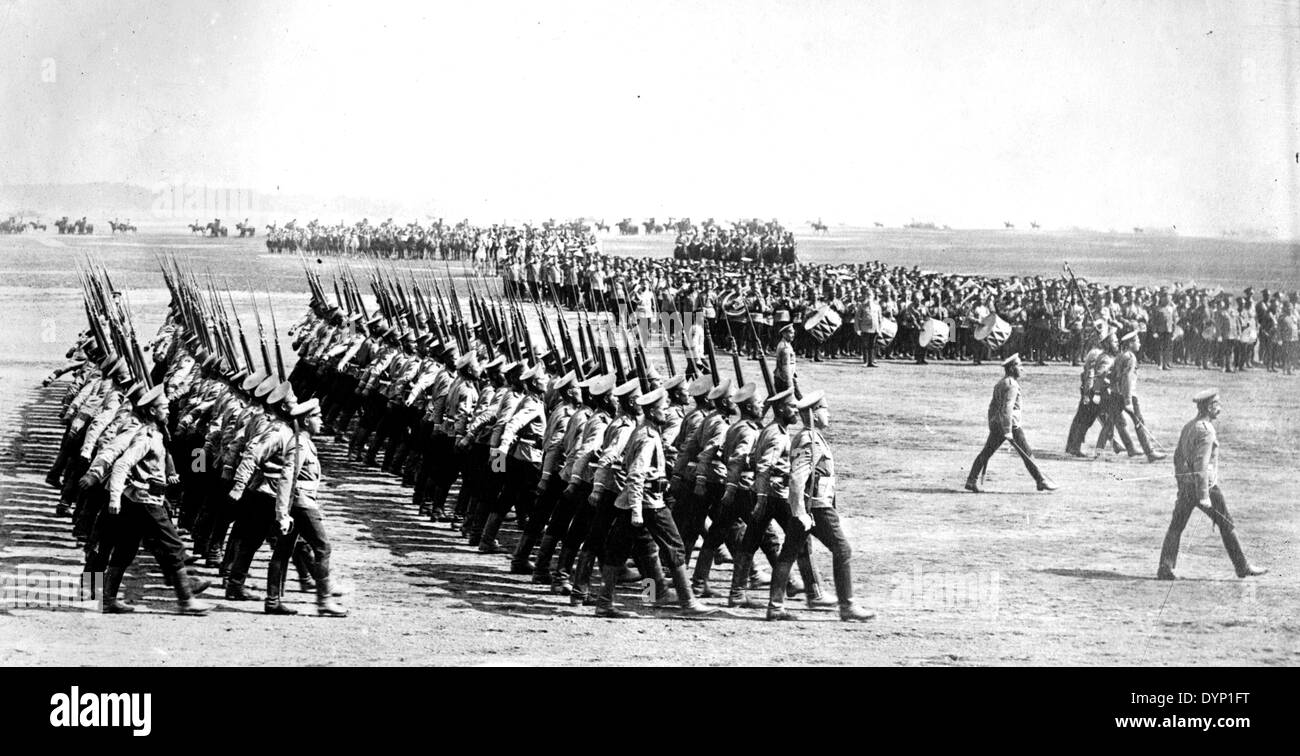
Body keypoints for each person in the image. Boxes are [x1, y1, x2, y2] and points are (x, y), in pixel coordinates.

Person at [101, 385, 212, 615]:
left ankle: (107, 598)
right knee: (171, 545)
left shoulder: (157, 434)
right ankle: (186, 599)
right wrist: (112, 495)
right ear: (151, 411)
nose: (168, 410)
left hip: (145, 495)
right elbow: (120, 461)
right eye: (163, 407)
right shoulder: (145, 436)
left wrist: (170, 472)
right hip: (145, 498)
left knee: (126, 548)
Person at [766, 390, 874, 621]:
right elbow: (797, 479)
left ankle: (775, 607)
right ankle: (847, 606)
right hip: (816, 508)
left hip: (811, 507)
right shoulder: (809, 440)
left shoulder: (810, 437)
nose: (829, 415)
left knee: (788, 554)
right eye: (825, 411)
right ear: (814, 414)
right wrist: (800, 513)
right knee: (842, 550)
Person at [1157, 389, 1267, 580]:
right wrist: (1204, 496)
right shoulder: (1207, 431)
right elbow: (1201, 465)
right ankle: (1242, 567)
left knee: (1176, 526)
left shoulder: (1189, 426)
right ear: (1209, 407)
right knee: (1227, 524)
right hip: (1206, 487)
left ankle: (1164, 567)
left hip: (1187, 486)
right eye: (1217, 405)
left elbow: (1178, 457)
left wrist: (1181, 482)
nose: (1220, 408)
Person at [265, 398, 349, 616]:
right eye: (317, 417)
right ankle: (324, 601)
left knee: (283, 551)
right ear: (305, 420)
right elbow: (288, 475)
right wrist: (281, 512)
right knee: (322, 548)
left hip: (299, 502)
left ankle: (273, 601)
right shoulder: (300, 444)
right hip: (302, 504)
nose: (321, 421)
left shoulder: (305, 442)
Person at [964, 354, 1057, 493]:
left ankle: (971, 480)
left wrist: (993, 424)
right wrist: (1007, 430)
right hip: (1011, 425)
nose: (1022, 369)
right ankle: (1041, 481)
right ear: (1012, 368)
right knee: (1027, 453)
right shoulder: (1012, 386)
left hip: (998, 424)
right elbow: (1007, 408)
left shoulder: (1001, 383)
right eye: (1020, 366)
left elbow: (992, 407)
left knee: (986, 452)